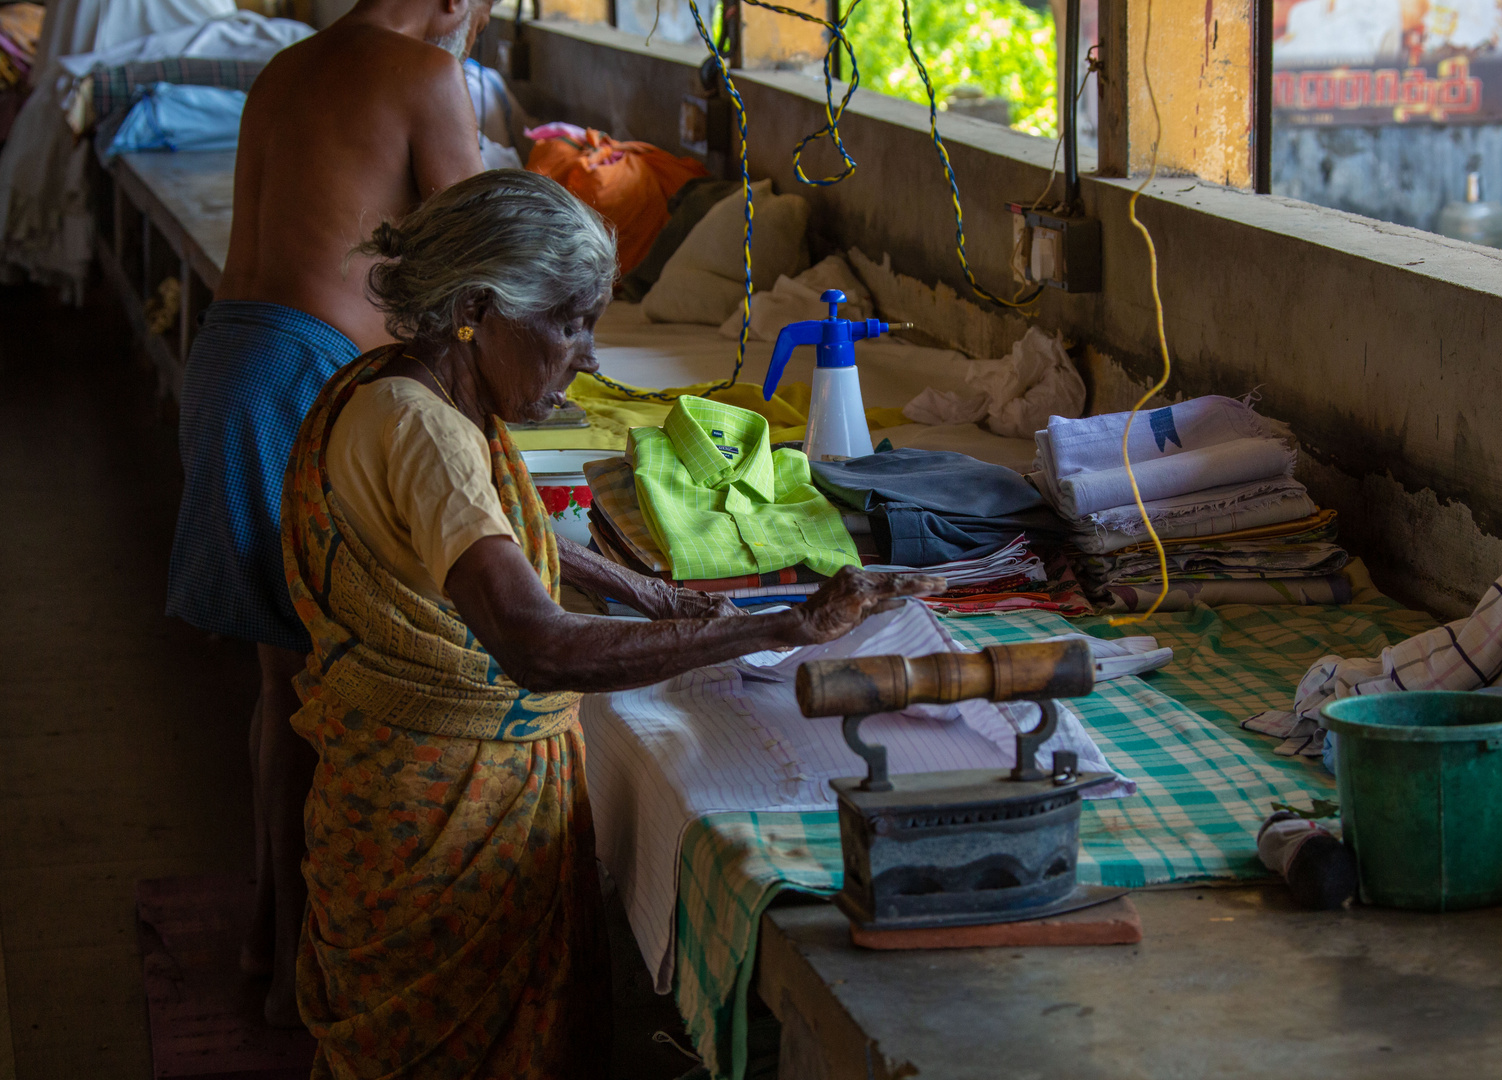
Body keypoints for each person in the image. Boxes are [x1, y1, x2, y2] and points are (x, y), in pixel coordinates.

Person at [280, 169, 940, 1077]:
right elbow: (538, 643)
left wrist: (654, 594)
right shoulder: (423, 432)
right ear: (476, 308)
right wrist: (779, 627)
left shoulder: (399, 384)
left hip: (393, 792)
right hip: (435, 815)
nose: (587, 355)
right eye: (567, 323)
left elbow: (492, 538)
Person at [164, 0, 492, 1025]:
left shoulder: (286, 69)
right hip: (306, 375)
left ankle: (277, 934)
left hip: (227, 361)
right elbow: (489, 261)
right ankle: (317, 960)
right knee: (335, 679)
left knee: (287, 677)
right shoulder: (428, 76)